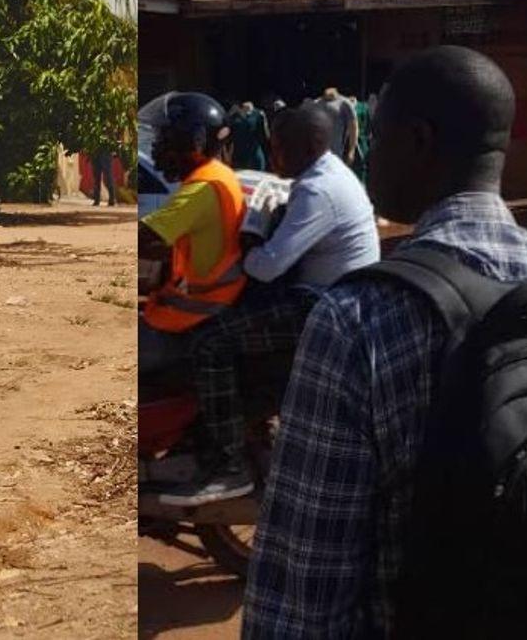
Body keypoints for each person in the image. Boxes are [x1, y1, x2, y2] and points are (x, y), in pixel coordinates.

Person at [243, 47, 527, 638]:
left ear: (418, 141)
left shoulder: (359, 319)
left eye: (377, 139)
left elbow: (302, 590)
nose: (369, 160)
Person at [158, 101, 380, 507]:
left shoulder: (318, 189)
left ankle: (230, 466)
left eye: (278, 147)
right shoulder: (327, 175)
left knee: (212, 342)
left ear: (309, 145)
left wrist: (251, 238)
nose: (272, 155)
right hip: (331, 298)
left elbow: (266, 267)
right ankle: (242, 432)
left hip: (324, 309)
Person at [137, 92, 245, 380]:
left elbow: (142, 238)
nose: (158, 147)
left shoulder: (203, 188)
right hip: (203, 309)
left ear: (191, 142)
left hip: (190, 320)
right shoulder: (217, 175)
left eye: (165, 139)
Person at [231, 99, 271, 173]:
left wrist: (264, 121)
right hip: (238, 156)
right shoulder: (234, 116)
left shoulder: (258, 115)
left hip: (254, 155)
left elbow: (265, 136)